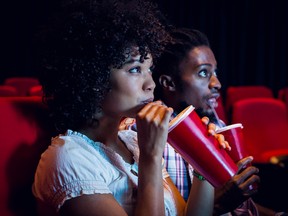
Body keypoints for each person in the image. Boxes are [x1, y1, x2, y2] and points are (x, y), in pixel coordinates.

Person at [31, 1, 229, 215]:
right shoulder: (69, 159)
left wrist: (202, 165)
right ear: (93, 78)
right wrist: (150, 157)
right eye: (135, 69)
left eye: (149, 69)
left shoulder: (132, 142)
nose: (150, 84)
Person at [152, 27, 281, 215]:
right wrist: (220, 203)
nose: (216, 83)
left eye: (216, 73)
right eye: (204, 73)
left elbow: (241, 207)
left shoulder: (216, 127)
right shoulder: (150, 135)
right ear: (169, 83)